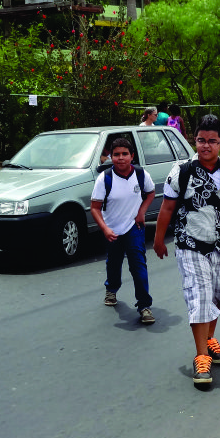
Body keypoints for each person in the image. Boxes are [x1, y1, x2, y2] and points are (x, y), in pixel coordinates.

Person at [153, 114, 220, 388]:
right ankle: (201, 357)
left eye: (212, 141)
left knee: (216, 295)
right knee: (200, 295)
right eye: (201, 140)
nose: (205, 146)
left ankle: (209, 339)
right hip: (190, 244)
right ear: (194, 140)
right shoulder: (181, 171)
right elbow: (166, 208)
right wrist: (157, 239)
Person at [91, 138, 156, 324]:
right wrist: (105, 229)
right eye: (116, 154)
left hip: (134, 228)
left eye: (125, 154)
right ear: (111, 157)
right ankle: (111, 289)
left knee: (138, 266)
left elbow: (150, 193)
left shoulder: (141, 175)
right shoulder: (105, 179)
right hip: (112, 230)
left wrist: (142, 212)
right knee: (114, 262)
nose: (121, 158)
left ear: (132, 156)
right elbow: (95, 207)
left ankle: (144, 306)